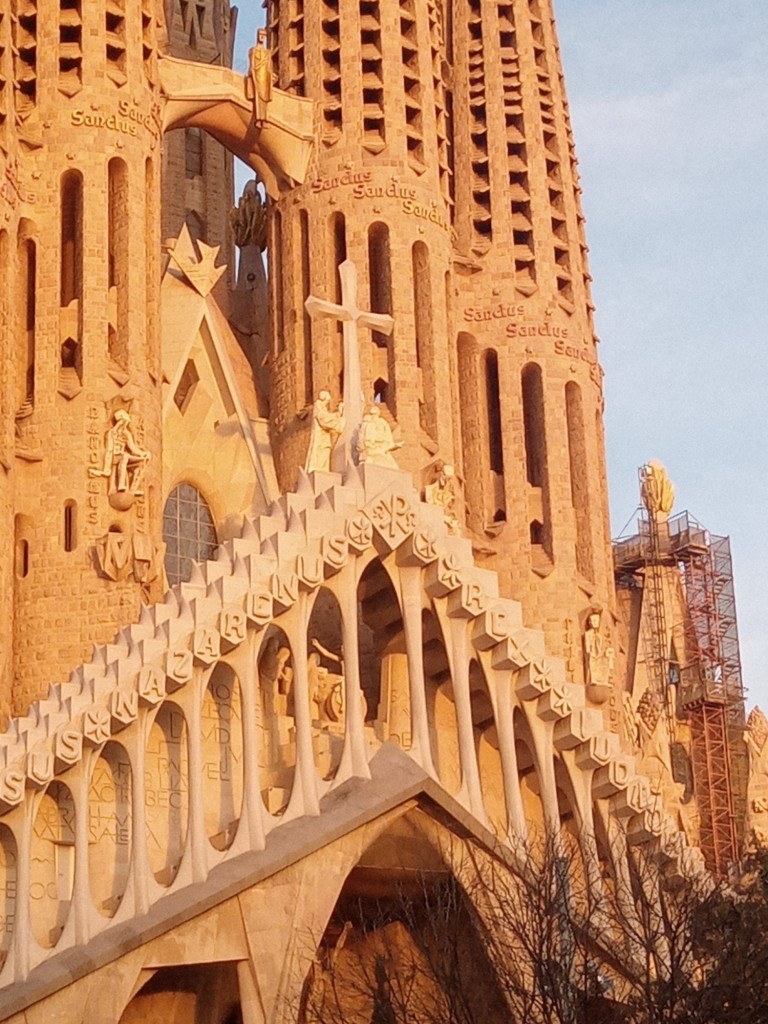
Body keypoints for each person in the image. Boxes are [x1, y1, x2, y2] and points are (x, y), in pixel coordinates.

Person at [89, 410, 150, 495]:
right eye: (123, 422)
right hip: (115, 457)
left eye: (126, 422)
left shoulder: (127, 434)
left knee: (141, 462)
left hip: (124, 458)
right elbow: (109, 450)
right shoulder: (112, 433)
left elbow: (133, 448)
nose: (124, 424)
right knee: (124, 456)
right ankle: (121, 484)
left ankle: (133, 489)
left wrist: (143, 454)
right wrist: (106, 468)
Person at [305, 391, 344, 473]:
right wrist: (338, 422)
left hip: (324, 438)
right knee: (321, 454)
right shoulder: (318, 409)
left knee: (324, 453)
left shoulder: (322, 409)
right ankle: (319, 470)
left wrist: (338, 414)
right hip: (321, 438)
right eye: (327, 401)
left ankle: (322, 470)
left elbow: (327, 417)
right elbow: (324, 420)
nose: (327, 403)